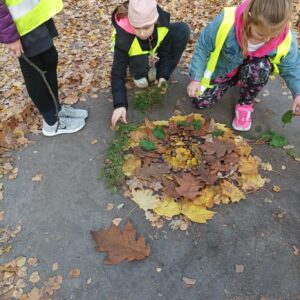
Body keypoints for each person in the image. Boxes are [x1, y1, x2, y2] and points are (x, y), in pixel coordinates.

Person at [187, 0, 300, 131]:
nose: (267, 39)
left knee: (260, 67)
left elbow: (293, 67)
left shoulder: (286, 38)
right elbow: (203, 47)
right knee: (199, 102)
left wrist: (298, 93)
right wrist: (196, 78)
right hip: (224, 70)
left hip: (254, 72)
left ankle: (245, 103)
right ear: (249, 17)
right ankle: (227, 82)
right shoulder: (227, 21)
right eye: (261, 34)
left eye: (273, 35)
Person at [0, 0, 88, 137]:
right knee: (34, 73)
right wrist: (9, 36)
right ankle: (52, 122)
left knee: (50, 60)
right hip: (22, 26)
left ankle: (56, 110)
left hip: (37, 16)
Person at [111, 0, 190, 128]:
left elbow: (166, 52)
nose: (142, 33)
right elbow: (117, 74)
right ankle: (138, 73)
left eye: (146, 27)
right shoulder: (124, 39)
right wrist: (120, 105)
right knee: (141, 80)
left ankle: (157, 71)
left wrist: (163, 75)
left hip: (153, 43)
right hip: (134, 50)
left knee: (182, 29)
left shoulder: (162, 24)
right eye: (137, 27)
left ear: (155, 21)